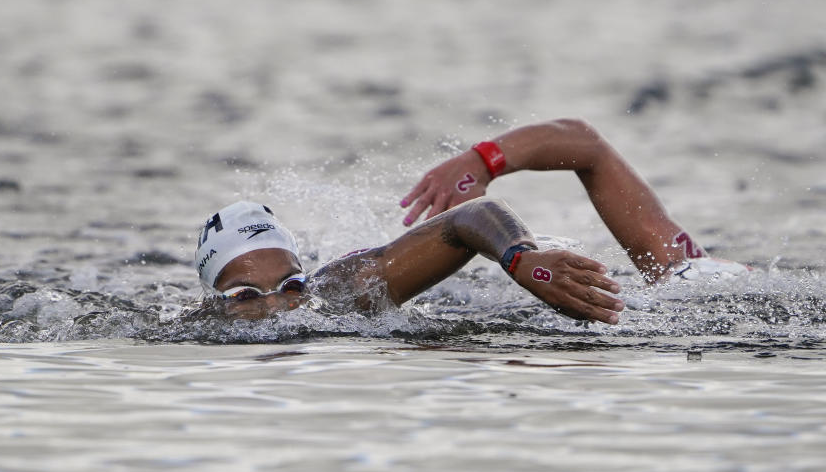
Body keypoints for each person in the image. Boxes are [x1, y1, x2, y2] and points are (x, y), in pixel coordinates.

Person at [194, 119, 732, 324]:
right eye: (244, 296)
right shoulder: (676, 268)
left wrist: (487, 163)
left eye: (290, 286)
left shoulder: (682, 272)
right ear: (212, 303)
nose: (276, 307)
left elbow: (587, 146)